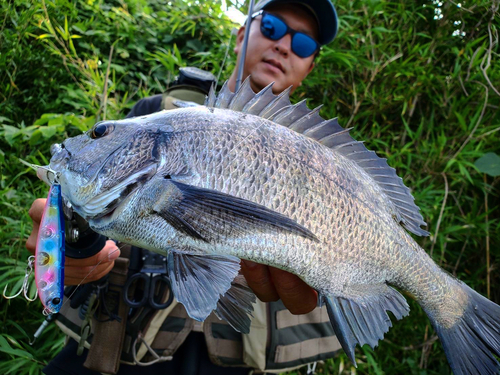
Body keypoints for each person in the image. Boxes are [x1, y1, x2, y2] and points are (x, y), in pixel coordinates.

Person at [26, 1, 341, 374]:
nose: (284, 46)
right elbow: (96, 203)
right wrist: (74, 245)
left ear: (310, 66)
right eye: (271, 27)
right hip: (119, 353)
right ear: (242, 35)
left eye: (303, 45)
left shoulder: (326, 164)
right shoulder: (154, 117)